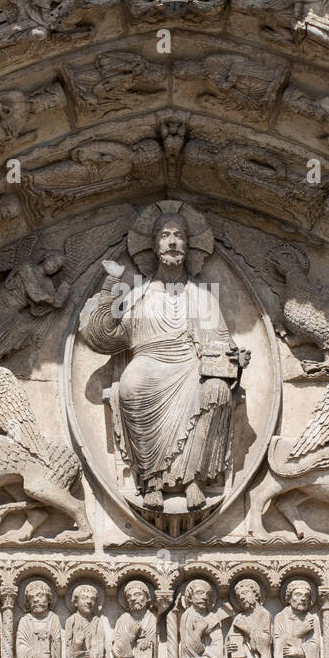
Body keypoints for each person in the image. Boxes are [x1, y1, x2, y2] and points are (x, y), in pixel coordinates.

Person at [78, 206, 248, 511]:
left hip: (190, 365)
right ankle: (152, 480)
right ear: (154, 245)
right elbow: (103, 336)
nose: (172, 241)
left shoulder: (202, 296)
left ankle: (195, 478)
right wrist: (109, 286)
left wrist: (236, 358)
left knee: (216, 390)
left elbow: (221, 342)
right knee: (131, 388)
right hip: (148, 362)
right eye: (165, 235)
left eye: (179, 236)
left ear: (188, 245)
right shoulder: (136, 295)